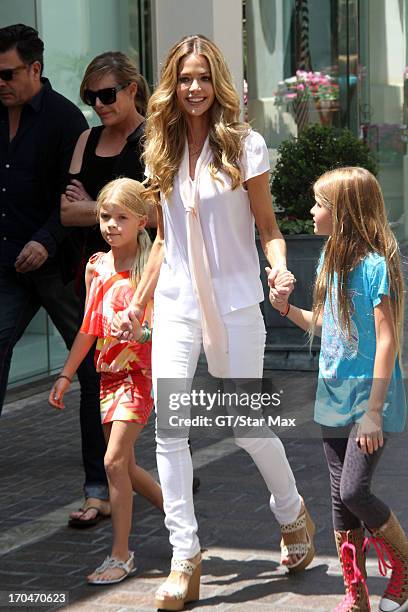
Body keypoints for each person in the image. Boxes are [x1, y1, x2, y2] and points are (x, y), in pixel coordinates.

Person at [117, 34, 316, 611]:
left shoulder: (246, 147)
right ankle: (186, 557)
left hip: (233, 304)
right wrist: (138, 300)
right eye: (184, 79)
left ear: (217, 82)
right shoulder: (159, 147)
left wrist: (279, 272)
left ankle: (291, 510)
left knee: (246, 426)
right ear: (171, 87)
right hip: (177, 304)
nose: (195, 88)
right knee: (169, 430)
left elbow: (270, 230)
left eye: (203, 78)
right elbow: (163, 241)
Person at [269, 167, 408, 612]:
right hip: (333, 395)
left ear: (343, 212)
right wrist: (287, 309)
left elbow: (387, 338)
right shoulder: (331, 256)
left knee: (353, 490)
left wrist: (373, 410)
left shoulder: (374, 266)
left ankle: (404, 567)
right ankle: (356, 595)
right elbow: (326, 325)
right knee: (338, 497)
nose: (311, 212)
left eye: (319, 204)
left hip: (370, 399)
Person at [49, 177, 163, 584]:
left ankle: (120, 555)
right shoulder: (96, 266)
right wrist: (65, 375)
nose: (111, 225)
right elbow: (88, 327)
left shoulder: (152, 267)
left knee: (113, 460)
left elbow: (161, 328)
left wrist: (139, 330)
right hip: (107, 377)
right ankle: (180, 520)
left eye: (121, 217)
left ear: (142, 221)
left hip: (140, 375)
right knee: (126, 468)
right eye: (104, 217)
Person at [60, 52, 154, 528]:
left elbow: (157, 216)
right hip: (95, 273)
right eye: (90, 97)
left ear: (133, 89)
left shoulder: (153, 138)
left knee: (149, 372)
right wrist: (119, 208)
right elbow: (67, 212)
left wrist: (93, 208)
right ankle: (99, 487)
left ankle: (155, 474)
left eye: (107, 94)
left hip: (143, 276)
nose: (98, 104)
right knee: (96, 379)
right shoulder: (86, 138)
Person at [0, 25, 88, 412]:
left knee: (93, 360)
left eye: (8, 74)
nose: (0, 83)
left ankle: (115, 456)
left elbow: (74, 193)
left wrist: (46, 239)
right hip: (9, 264)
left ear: (35, 69)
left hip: (59, 267)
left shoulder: (66, 120)